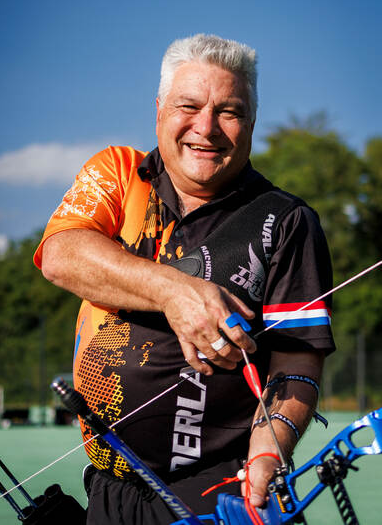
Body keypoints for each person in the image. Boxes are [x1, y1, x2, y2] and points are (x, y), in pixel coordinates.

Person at [34, 33, 335, 524]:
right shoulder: (120, 173)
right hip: (110, 489)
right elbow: (61, 255)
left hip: (218, 489)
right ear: (159, 110)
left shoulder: (286, 221)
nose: (206, 128)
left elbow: (297, 360)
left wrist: (268, 454)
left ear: (251, 122)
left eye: (229, 112)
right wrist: (175, 291)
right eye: (188, 106)